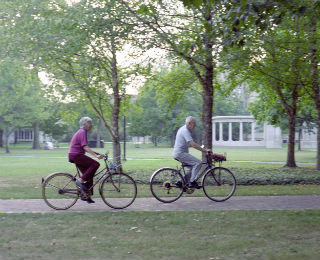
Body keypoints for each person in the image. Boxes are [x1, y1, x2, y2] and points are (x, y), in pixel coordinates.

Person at [68, 117, 103, 203]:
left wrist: (97, 153)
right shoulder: (82, 132)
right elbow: (85, 147)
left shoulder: (81, 132)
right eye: (90, 123)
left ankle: (87, 196)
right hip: (77, 155)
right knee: (95, 164)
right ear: (85, 124)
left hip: (75, 155)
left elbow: (85, 148)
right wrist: (95, 156)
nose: (91, 125)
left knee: (89, 175)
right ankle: (80, 181)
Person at [173, 116, 211, 189]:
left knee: (192, 167)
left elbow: (192, 143)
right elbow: (192, 144)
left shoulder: (184, 129)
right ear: (189, 123)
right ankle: (192, 182)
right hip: (180, 153)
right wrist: (205, 150)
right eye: (194, 124)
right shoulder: (185, 130)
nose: (195, 126)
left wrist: (201, 148)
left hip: (180, 153)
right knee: (198, 163)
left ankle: (181, 182)